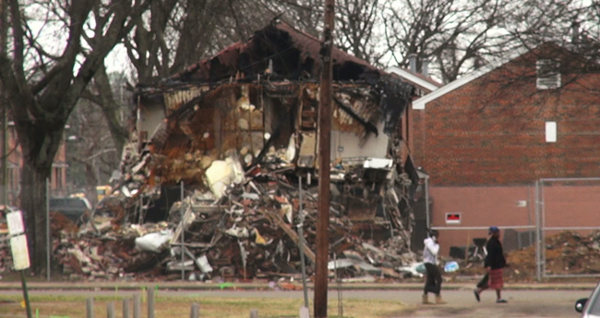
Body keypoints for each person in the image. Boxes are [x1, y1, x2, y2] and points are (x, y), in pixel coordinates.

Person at [474, 226, 508, 303]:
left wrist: (504, 263)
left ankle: (480, 291)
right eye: (497, 232)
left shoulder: (496, 242)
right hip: (494, 265)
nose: (499, 234)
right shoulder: (491, 243)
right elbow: (490, 255)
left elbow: (500, 254)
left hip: (498, 264)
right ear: (493, 233)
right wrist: (489, 265)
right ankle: (479, 291)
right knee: (495, 282)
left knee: (495, 282)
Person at [422, 230, 445, 305]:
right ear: (434, 237)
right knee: (439, 278)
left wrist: (437, 262)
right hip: (428, 263)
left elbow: (434, 256)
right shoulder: (430, 243)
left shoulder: (431, 243)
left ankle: (425, 297)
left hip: (430, 263)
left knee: (430, 279)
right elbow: (434, 252)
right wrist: (437, 245)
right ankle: (437, 297)